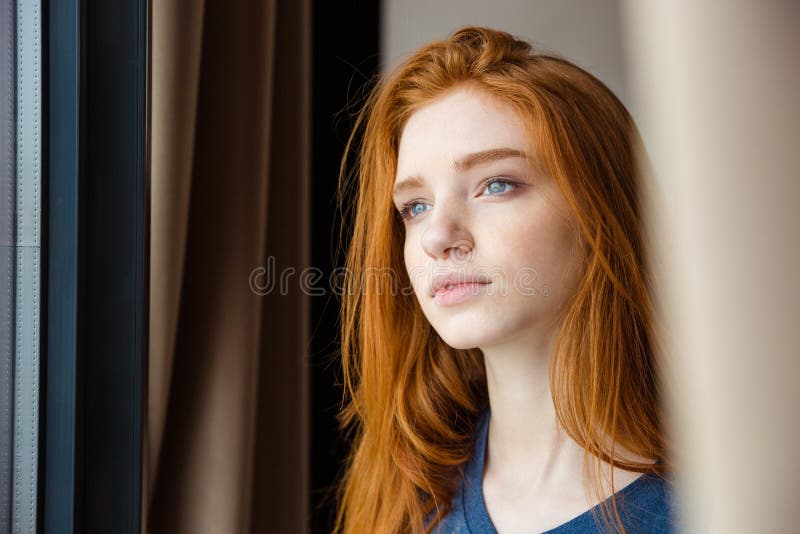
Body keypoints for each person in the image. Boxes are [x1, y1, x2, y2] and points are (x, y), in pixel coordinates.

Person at [334, 26, 676, 534]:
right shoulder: (410, 495)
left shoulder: (721, 506)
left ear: (601, 210)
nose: (437, 236)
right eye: (415, 207)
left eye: (495, 184)